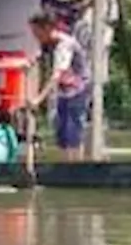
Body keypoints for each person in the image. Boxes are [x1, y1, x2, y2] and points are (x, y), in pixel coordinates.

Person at [27, 12, 90, 161]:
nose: (36, 37)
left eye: (37, 33)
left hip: (78, 89)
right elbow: (39, 57)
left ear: (47, 29)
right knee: (61, 130)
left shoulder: (64, 45)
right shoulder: (48, 43)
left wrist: (38, 99)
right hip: (65, 90)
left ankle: (74, 165)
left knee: (72, 128)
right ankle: (64, 162)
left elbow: (56, 75)